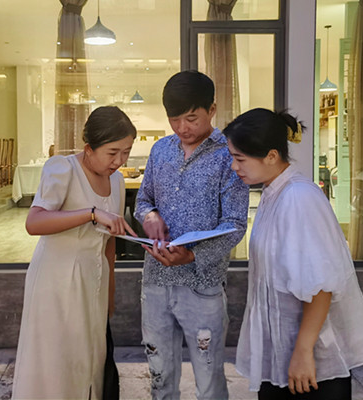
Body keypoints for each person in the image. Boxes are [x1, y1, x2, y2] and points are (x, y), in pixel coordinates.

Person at [224, 108, 363, 399]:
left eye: (240, 158)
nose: (234, 166)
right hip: (284, 352)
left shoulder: (299, 198)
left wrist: (303, 351)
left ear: (271, 156)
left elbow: (321, 285)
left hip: (311, 362)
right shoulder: (274, 193)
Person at [134, 70, 249, 399]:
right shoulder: (161, 150)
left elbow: (235, 224)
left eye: (191, 118)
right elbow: (143, 200)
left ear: (212, 110)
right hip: (155, 280)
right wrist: (149, 216)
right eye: (174, 119)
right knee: (159, 374)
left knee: (209, 378)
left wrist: (194, 255)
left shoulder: (229, 155)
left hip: (203, 285)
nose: (182, 128)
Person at [12, 106, 137, 400]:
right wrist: (90, 214)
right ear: (89, 149)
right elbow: (34, 222)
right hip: (56, 279)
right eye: (112, 152)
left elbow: (109, 242)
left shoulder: (117, 181)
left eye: (126, 152)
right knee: (57, 358)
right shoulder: (63, 169)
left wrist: (110, 289)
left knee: (91, 356)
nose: (119, 161)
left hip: (94, 279)